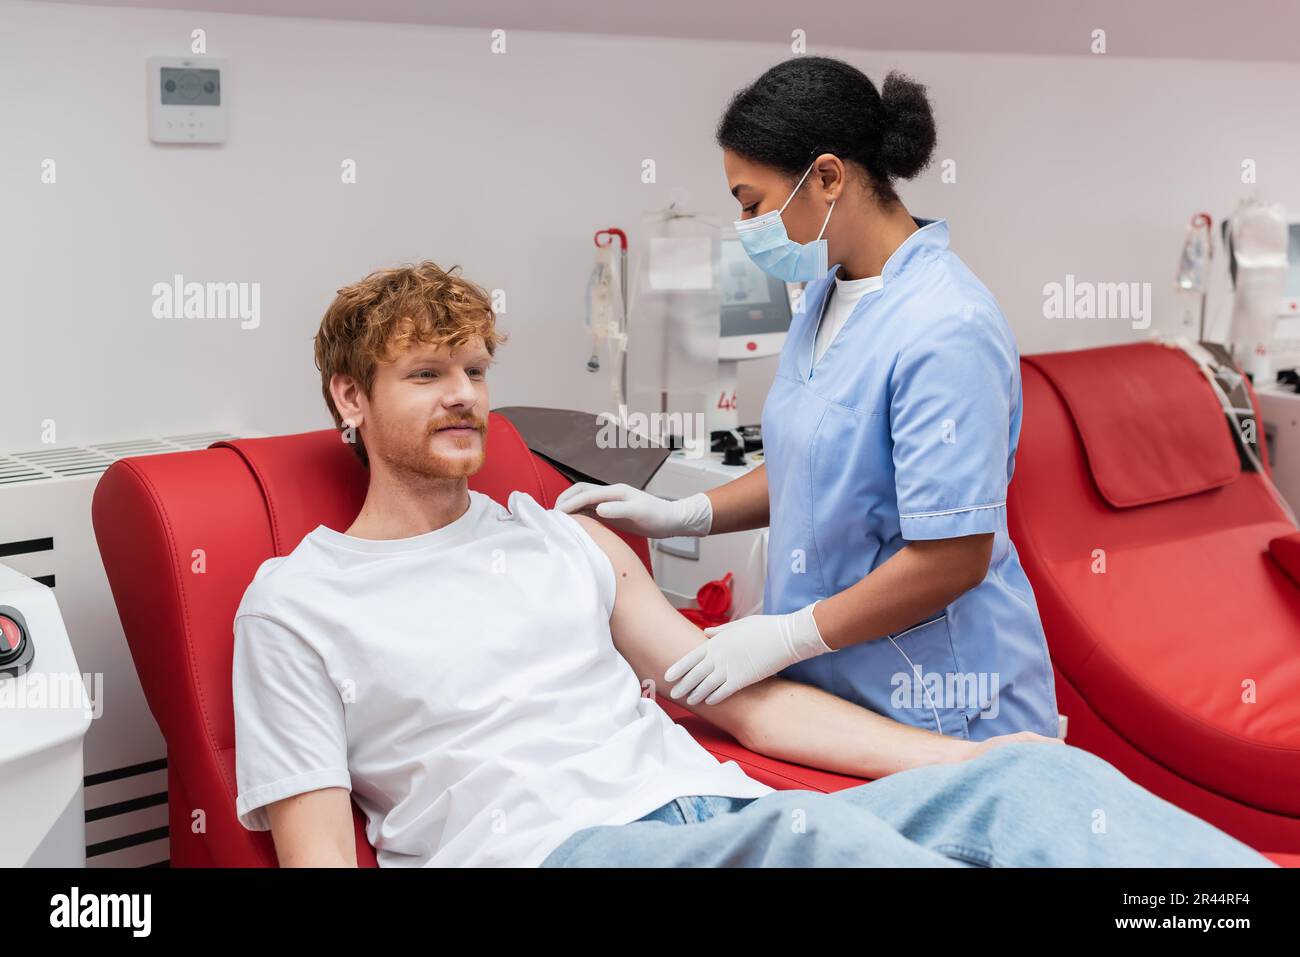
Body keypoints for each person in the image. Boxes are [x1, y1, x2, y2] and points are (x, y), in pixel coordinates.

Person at [231, 261, 1273, 869]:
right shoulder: (298, 605)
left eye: (473, 370)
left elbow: (752, 711)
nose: (462, 394)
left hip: (716, 813)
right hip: (556, 853)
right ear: (349, 398)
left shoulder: (560, 535)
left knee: (1042, 784)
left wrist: (973, 765)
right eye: (424, 373)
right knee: (821, 850)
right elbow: (318, 854)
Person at [558, 57, 1055, 742]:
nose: (745, 225)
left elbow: (953, 556)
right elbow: (815, 463)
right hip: (833, 690)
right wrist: (681, 514)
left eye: (751, 202)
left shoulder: (947, 325)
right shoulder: (825, 293)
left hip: (939, 698)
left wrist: (788, 635)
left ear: (826, 177)